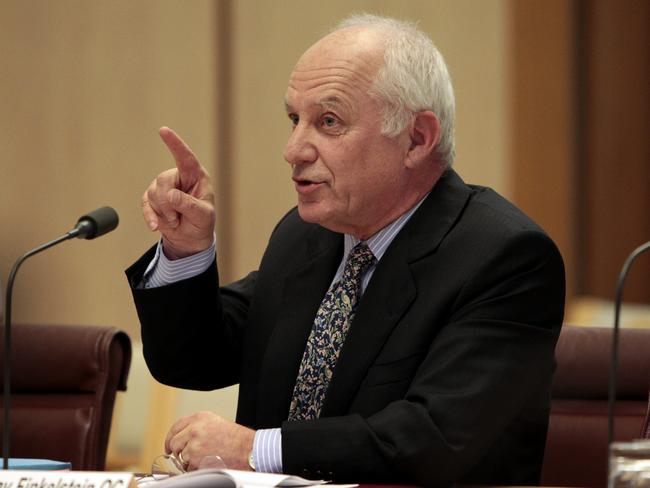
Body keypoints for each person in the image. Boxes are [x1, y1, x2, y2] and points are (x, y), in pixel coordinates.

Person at [126, 14, 565, 487]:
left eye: (328, 122)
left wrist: (254, 449)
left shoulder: (504, 257)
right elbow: (192, 359)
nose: (293, 149)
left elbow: (431, 439)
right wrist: (186, 250)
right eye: (295, 119)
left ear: (417, 138)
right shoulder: (306, 236)